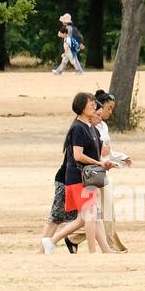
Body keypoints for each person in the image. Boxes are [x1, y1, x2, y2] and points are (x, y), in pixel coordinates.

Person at [41, 93, 118, 254]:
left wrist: (105, 163)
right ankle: (92, 251)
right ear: (82, 107)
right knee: (89, 215)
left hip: (89, 177)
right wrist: (99, 163)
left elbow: (96, 154)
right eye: (90, 103)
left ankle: (53, 241)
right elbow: (78, 156)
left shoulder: (92, 129)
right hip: (77, 177)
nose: (94, 106)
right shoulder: (78, 128)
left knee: (89, 216)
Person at [93, 91, 133, 251]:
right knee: (106, 212)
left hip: (103, 171)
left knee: (104, 213)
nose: (111, 112)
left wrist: (123, 157)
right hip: (94, 172)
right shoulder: (91, 125)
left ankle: (73, 238)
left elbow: (107, 152)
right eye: (109, 108)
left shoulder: (104, 126)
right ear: (100, 106)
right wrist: (99, 151)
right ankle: (111, 246)